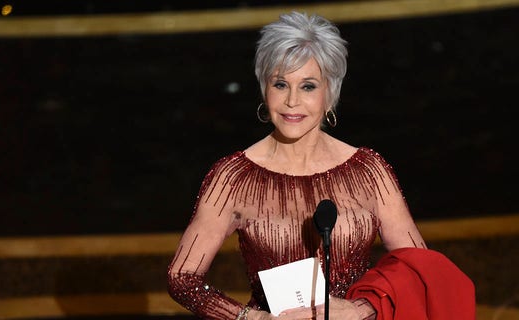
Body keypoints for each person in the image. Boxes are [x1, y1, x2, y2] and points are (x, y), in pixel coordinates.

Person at [168, 11, 474, 320]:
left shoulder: (369, 171)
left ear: (330, 93)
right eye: (280, 84)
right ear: (265, 89)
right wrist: (253, 318)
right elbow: (182, 278)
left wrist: (361, 310)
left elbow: (419, 267)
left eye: (308, 86)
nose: (292, 101)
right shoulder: (233, 177)